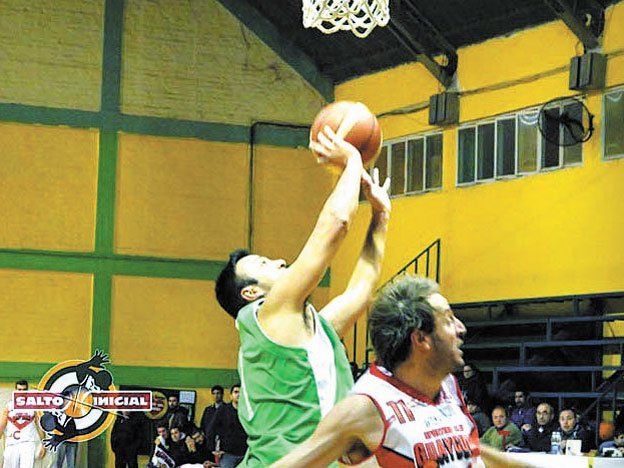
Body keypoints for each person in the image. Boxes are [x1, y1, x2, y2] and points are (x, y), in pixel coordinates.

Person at [214, 125, 391, 466]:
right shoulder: (263, 314)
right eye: (264, 263)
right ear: (251, 292)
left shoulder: (315, 328)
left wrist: (380, 217)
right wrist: (352, 160)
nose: (280, 261)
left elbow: (362, 288)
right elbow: (336, 224)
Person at [272, 275, 526, 467]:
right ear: (421, 339)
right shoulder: (365, 407)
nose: (461, 328)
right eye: (448, 319)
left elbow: (469, 451)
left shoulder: (447, 384)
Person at [0, 380, 46, 468]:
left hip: (27, 444)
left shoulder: (32, 406)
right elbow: (2, 425)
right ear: (15, 390)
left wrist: (43, 445)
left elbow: (39, 426)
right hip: (12, 443)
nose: (21, 393)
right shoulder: (9, 406)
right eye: (19, 390)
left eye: (24, 390)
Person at [212, 384, 247, 468]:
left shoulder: (248, 411)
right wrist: (213, 449)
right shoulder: (223, 409)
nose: (239, 394)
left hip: (246, 453)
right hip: (228, 454)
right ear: (231, 395)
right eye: (236, 392)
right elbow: (212, 429)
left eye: (241, 392)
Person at [200, 385, 224, 455]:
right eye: (214, 393)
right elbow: (203, 424)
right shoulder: (208, 409)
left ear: (222, 394)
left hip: (222, 441)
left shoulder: (227, 408)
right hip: (209, 441)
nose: (216, 396)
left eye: (218, 393)